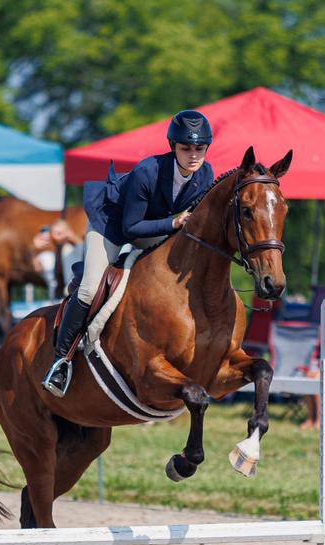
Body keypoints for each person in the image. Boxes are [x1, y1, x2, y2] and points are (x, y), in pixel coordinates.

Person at [42, 110, 216, 397]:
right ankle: (61, 361)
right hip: (112, 224)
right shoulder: (148, 171)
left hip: (154, 226)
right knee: (87, 290)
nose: (194, 155)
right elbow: (132, 227)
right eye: (186, 148)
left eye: (200, 148)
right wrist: (174, 223)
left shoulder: (205, 174)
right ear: (173, 146)